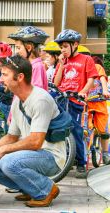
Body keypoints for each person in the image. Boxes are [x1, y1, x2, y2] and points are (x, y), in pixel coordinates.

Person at [0, 55, 65, 207]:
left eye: (5, 75)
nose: (0, 79)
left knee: (7, 162)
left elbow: (36, 142)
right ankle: (29, 188)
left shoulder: (40, 100)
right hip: (30, 154)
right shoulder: (17, 99)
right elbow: (12, 137)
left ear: (20, 77)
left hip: (51, 156)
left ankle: (46, 189)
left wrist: (2, 151)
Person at [53, 29, 99, 178]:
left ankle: (81, 162)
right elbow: (56, 82)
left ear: (75, 44)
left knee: (76, 131)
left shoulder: (86, 60)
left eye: (65, 46)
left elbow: (91, 79)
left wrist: (83, 92)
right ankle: (61, 160)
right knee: (57, 129)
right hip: (62, 99)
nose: (63, 50)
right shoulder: (63, 61)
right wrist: (60, 65)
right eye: (61, 47)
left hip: (76, 100)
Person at [77, 46, 110, 164]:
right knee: (85, 130)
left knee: (104, 130)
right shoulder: (80, 71)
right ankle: (84, 154)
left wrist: (105, 91)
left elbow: (102, 79)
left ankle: (105, 153)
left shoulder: (96, 67)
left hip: (99, 102)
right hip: (87, 104)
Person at [8, 26, 49, 90]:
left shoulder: (37, 66)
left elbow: (36, 91)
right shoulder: (29, 65)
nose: (17, 51)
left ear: (29, 48)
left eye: (18, 48)